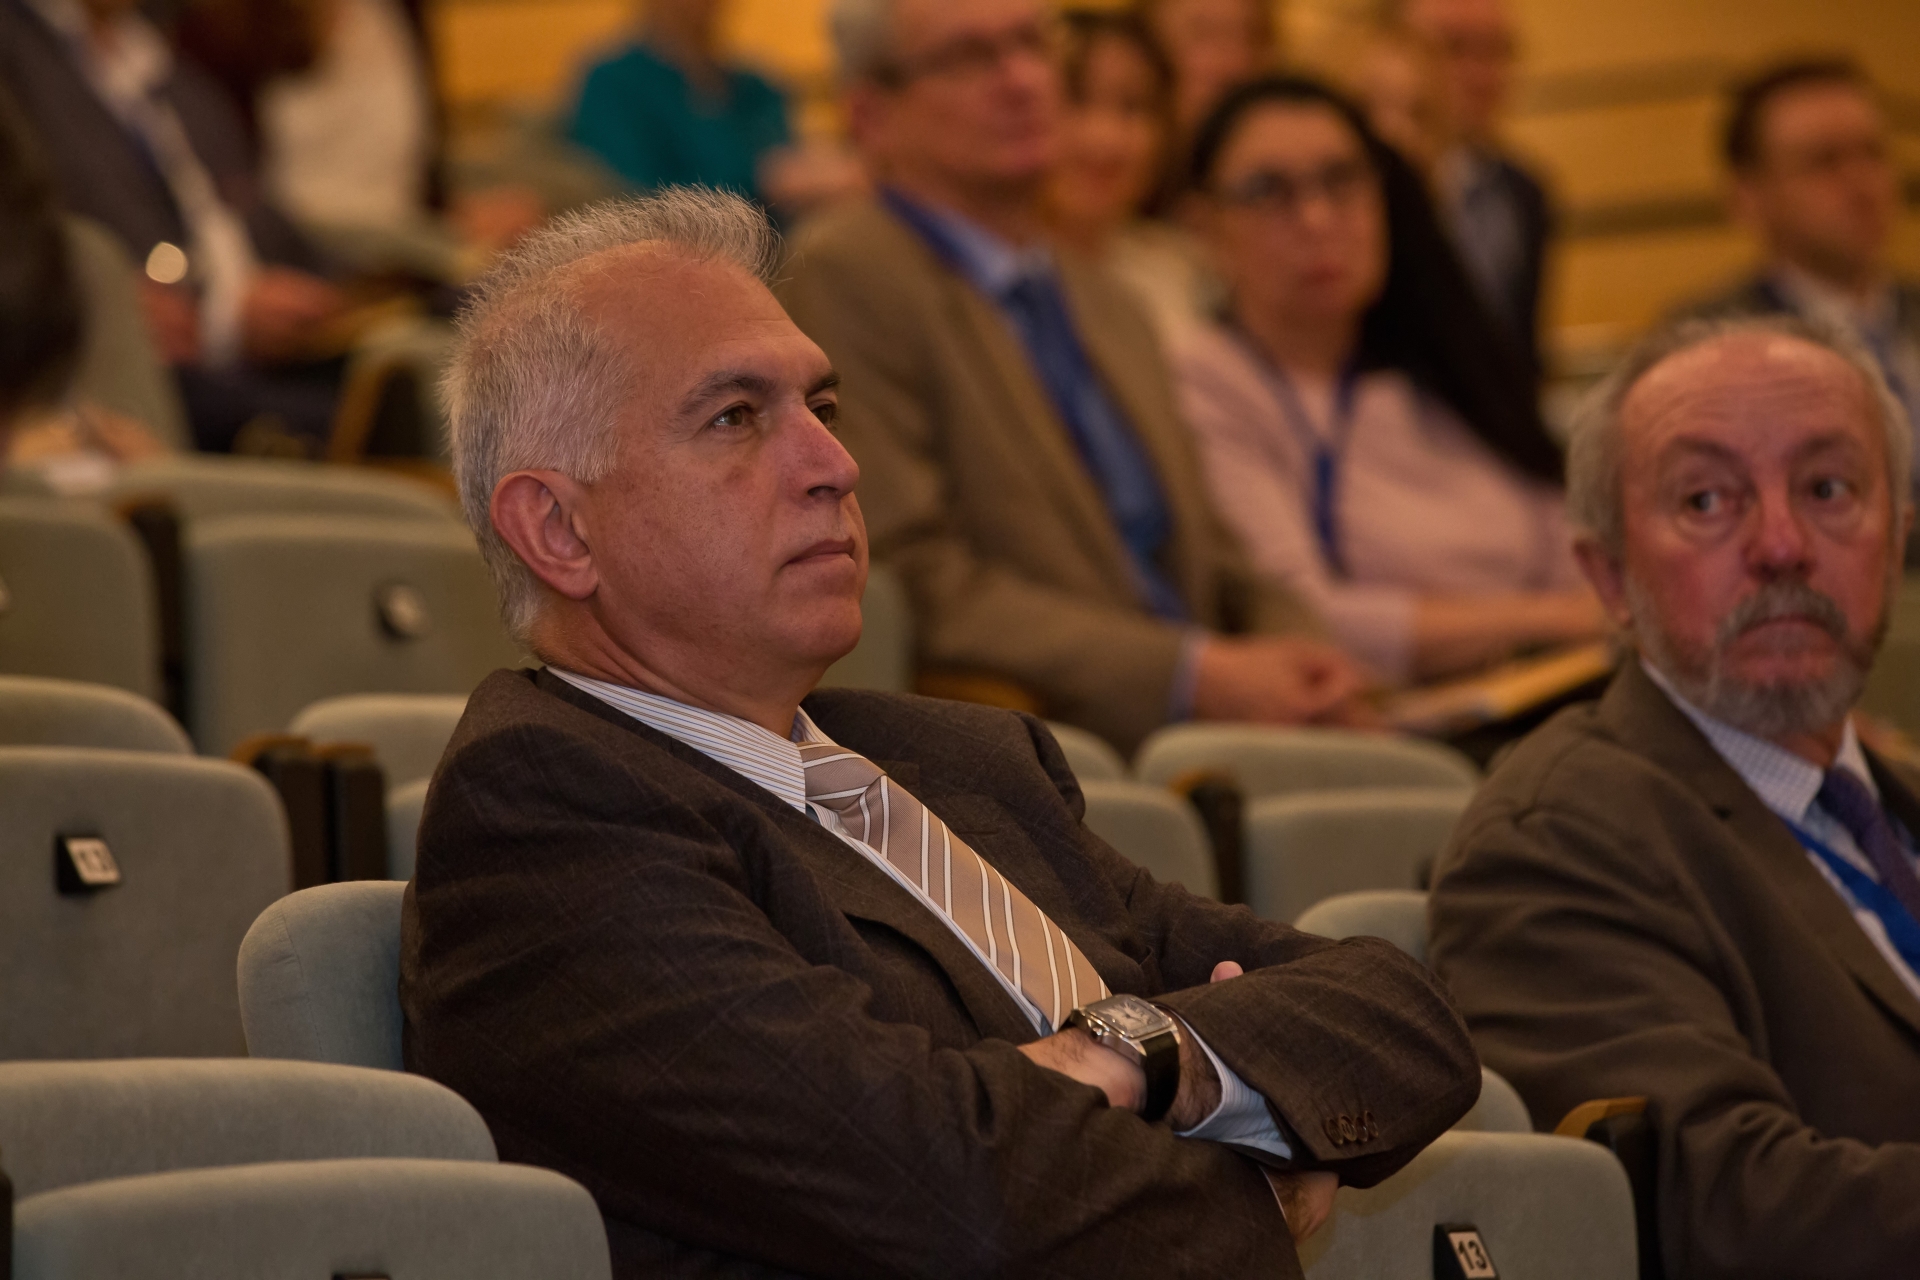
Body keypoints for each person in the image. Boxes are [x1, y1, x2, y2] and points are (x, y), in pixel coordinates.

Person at [403, 185, 1481, 1279]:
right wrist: (1250, 1148)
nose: (835, 463)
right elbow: (957, 1193)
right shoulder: (545, 811)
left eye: (824, 406)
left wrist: (1130, 1055)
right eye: (734, 418)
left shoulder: (967, 764)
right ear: (558, 529)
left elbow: (1403, 1017)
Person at [1428, 315, 1920, 1279]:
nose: (1782, 545)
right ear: (1609, 575)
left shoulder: (1890, 801)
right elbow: (1727, 1214)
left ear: (1896, 539)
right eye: (1706, 500)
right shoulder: (1555, 840)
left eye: (1828, 489)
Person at [783, 0, 1369, 755]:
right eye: (971, 58)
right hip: (1051, 747)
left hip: (1217, 721)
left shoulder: (1105, 296)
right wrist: (1193, 673)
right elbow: (910, 581)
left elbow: (1213, 551)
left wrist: (1306, 651)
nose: (1023, 79)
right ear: (870, 114)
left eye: (1033, 43)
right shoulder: (847, 277)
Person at [1174, 76, 1598, 684]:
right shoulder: (1206, 378)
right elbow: (1302, 615)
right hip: (1387, 718)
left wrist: (1574, 620)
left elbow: (1575, 555)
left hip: (1561, 684)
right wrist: (1550, 621)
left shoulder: (1444, 356)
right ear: (1204, 226)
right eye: (1268, 190)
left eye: (1341, 180)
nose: (1317, 218)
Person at [0, 0, 351, 454]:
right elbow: (55, 263)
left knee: (416, 351)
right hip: (174, 373)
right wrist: (220, 314)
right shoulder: (21, 54)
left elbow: (255, 212)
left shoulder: (158, 56)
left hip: (278, 344)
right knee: (368, 420)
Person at [1676, 58, 1920, 490]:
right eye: (1824, 162)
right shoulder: (1705, 347)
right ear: (1748, 196)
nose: (1861, 182)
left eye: (1873, 153)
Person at [568, 0, 863, 215]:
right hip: (678, 260)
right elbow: (630, 198)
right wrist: (761, 180)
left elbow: (792, 162)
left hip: (778, 249)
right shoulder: (613, 83)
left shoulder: (755, 85)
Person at [1398, 0, 1551, 378]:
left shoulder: (1523, 192)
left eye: (1496, 51)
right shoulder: (1361, 191)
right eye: (1456, 48)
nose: (1482, 75)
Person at [1044, 8, 1217, 340]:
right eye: (1077, 99)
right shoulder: (985, 274)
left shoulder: (1182, 271)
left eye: (1132, 107)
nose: (1104, 136)